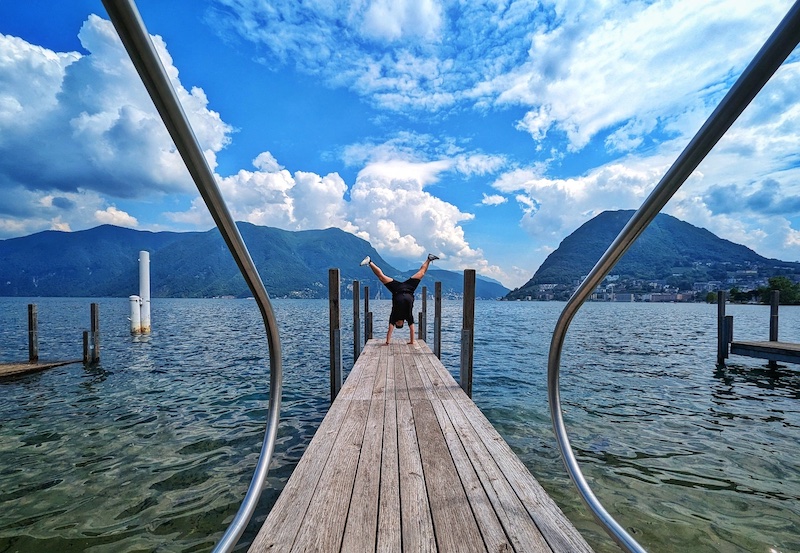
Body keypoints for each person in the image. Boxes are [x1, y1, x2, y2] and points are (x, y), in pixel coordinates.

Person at [360, 253, 439, 345]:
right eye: (399, 324)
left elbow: (390, 330)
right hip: (409, 289)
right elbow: (411, 329)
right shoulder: (407, 316)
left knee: (382, 277)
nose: (398, 323)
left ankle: (370, 262)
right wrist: (412, 341)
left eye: (397, 324)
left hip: (397, 290)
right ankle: (429, 259)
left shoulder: (394, 317)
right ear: (401, 324)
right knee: (421, 273)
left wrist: (388, 342)